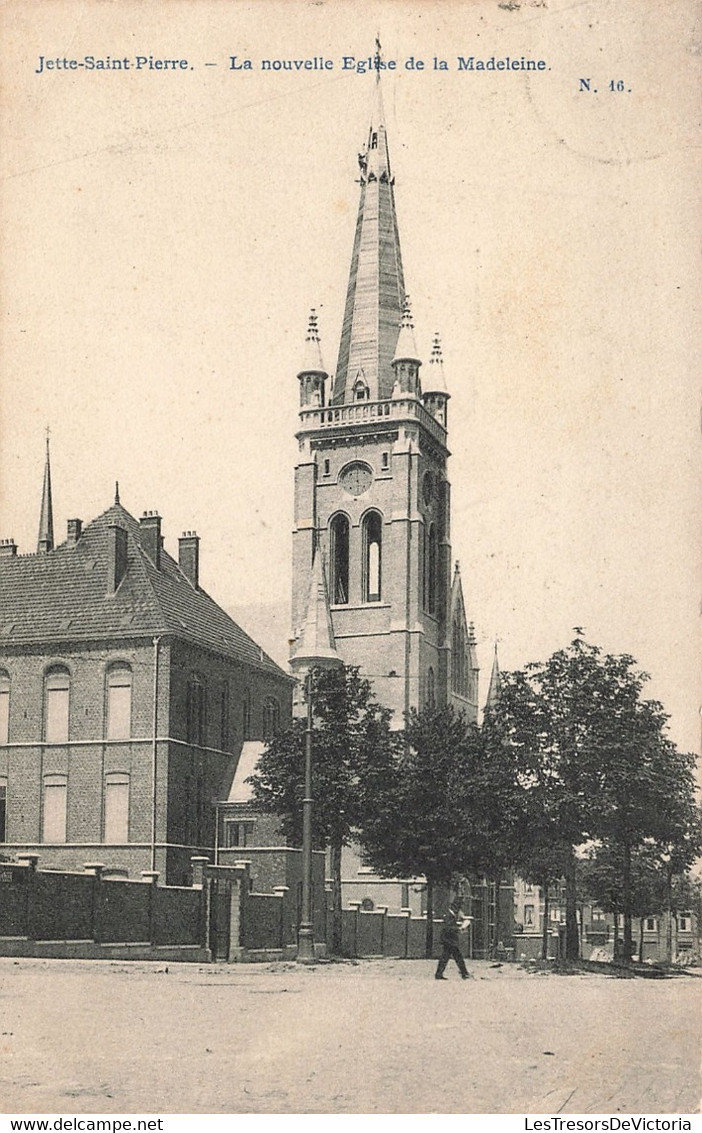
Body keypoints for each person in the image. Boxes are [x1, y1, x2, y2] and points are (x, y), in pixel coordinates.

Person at [435, 897, 471, 980]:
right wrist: (459, 929)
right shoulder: (449, 915)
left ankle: (439, 974)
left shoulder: (451, 914)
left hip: (449, 939)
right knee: (457, 956)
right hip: (449, 940)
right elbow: (448, 928)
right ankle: (464, 973)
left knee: (446, 957)